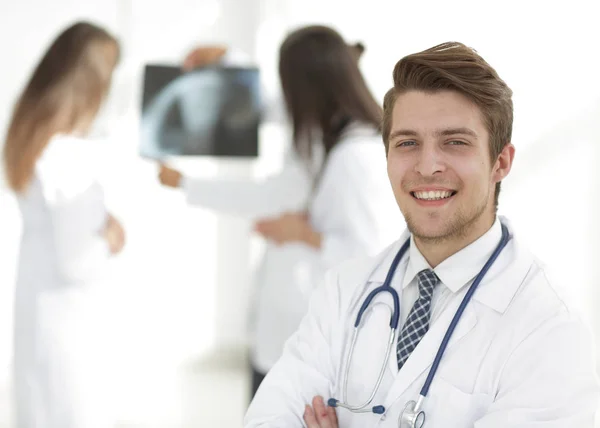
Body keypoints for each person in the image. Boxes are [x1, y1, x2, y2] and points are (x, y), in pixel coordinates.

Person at [243, 42, 600, 427]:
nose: (427, 167)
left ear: (501, 162)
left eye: (455, 142)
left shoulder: (548, 331)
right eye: (408, 143)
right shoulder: (343, 293)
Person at [157, 26, 402, 400]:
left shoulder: (354, 155)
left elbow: (368, 255)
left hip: (312, 337)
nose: (284, 98)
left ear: (306, 87)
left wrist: (301, 233)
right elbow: (267, 106)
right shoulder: (325, 131)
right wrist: (227, 58)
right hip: (289, 330)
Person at [2, 22, 124, 428]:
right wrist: (109, 236)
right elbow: (79, 262)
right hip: (68, 329)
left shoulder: (34, 134)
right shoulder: (70, 155)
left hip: (38, 307)